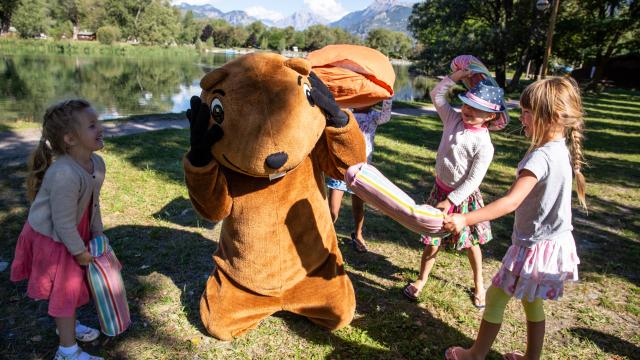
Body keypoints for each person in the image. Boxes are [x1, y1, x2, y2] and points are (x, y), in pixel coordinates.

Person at [443, 77, 586, 360]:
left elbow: (510, 201)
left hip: (532, 247)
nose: (521, 118)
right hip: (552, 244)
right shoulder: (560, 150)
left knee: (496, 297)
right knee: (532, 303)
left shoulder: (540, 158)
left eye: (526, 112)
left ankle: (475, 355)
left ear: (552, 116)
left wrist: (465, 219)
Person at [403, 69, 508, 308]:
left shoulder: (484, 144)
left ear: (491, 117)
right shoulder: (452, 119)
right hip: (439, 192)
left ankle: (479, 285)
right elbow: (437, 95)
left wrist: (451, 201)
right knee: (432, 239)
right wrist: (456, 77)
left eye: (477, 109)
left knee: (471, 244)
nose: (468, 110)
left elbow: (473, 180)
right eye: (467, 104)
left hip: (463, 200)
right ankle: (421, 279)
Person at [11, 99, 106, 360]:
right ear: (70, 139)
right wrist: (78, 250)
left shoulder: (96, 164)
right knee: (65, 290)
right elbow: (62, 223)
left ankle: (69, 326)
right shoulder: (64, 173)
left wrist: (97, 233)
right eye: (91, 125)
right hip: (53, 237)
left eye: (98, 122)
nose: (101, 128)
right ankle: (67, 351)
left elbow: (93, 204)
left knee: (71, 287)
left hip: (73, 231)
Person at [327, 99, 393, 252]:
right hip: (340, 168)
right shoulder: (346, 113)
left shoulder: (374, 117)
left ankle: (358, 234)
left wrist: (388, 96)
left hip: (360, 170)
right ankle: (327, 235)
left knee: (358, 206)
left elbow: (386, 116)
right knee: (332, 210)